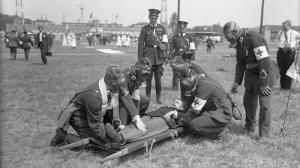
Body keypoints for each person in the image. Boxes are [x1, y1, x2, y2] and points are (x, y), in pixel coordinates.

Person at [50, 66, 148, 147]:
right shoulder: (94, 96)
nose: (123, 86)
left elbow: (126, 98)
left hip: (98, 113)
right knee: (97, 144)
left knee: (110, 135)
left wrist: (137, 118)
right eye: (121, 84)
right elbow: (95, 125)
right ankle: (62, 137)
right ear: (114, 83)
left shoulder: (113, 85)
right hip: (79, 116)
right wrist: (107, 139)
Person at [223, 21, 280, 139]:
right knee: (248, 102)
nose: (228, 41)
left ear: (235, 31)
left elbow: (264, 61)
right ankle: (249, 126)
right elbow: (240, 63)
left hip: (264, 72)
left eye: (228, 37)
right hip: (251, 74)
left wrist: (264, 84)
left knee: (264, 105)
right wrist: (236, 82)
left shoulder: (253, 38)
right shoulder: (239, 41)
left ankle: (264, 135)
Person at [169, 60, 232, 139]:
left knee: (194, 126)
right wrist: (179, 113)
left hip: (222, 113)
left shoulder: (203, 86)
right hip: (211, 108)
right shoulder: (198, 82)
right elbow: (191, 105)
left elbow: (194, 110)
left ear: (190, 77)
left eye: (181, 80)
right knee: (190, 122)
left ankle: (220, 132)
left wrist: (180, 123)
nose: (181, 83)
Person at [138, 8, 169, 104]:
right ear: (149, 17)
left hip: (159, 57)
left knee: (158, 79)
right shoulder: (145, 29)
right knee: (148, 78)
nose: (154, 19)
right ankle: (147, 98)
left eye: (155, 18)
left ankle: (158, 98)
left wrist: (165, 53)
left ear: (157, 18)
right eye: (152, 17)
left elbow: (166, 42)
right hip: (148, 57)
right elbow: (140, 45)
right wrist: (140, 59)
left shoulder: (162, 28)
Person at [169, 20, 196, 90]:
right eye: (180, 28)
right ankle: (175, 87)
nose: (182, 29)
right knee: (176, 73)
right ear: (178, 28)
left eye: (183, 28)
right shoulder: (174, 37)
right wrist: (170, 57)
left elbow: (192, 48)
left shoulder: (189, 37)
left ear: (185, 28)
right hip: (177, 57)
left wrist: (192, 57)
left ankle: (185, 86)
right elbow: (171, 48)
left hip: (186, 57)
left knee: (186, 73)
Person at [276, 20, 300, 90]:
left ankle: (287, 87)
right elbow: (277, 40)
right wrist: (280, 46)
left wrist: (295, 46)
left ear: (289, 25)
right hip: (281, 52)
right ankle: (282, 86)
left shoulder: (295, 33)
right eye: (282, 26)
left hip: (290, 53)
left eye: (284, 26)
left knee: (288, 70)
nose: (283, 27)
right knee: (281, 70)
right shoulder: (280, 32)